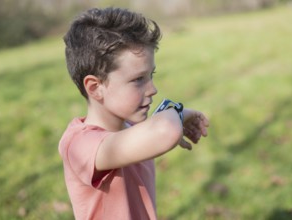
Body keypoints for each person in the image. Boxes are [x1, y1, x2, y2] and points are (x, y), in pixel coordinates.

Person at [59, 7, 209, 220]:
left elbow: (159, 131)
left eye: (151, 75)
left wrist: (179, 118)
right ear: (95, 87)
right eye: (138, 79)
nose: (153, 89)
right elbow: (165, 130)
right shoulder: (79, 145)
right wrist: (179, 114)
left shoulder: (132, 129)